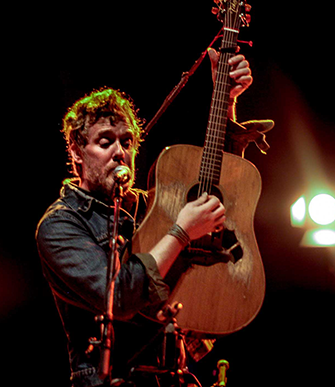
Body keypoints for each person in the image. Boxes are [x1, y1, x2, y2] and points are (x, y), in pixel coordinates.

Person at [36, 48, 253, 387]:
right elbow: (119, 299)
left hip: (171, 376)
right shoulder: (60, 225)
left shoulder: (148, 204)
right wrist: (180, 232)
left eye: (127, 141)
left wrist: (225, 103)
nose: (120, 152)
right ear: (76, 151)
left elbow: (219, 191)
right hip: (109, 380)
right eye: (105, 142)